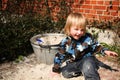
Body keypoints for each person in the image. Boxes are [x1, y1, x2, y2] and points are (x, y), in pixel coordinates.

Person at [52, 13, 118, 80]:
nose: (79, 32)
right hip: (73, 63)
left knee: (88, 65)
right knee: (65, 73)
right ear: (69, 28)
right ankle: (83, 71)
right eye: (76, 29)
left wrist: (105, 51)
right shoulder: (65, 41)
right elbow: (60, 55)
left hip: (87, 59)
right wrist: (55, 70)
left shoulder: (87, 38)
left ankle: (91, 76)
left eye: (82, 30)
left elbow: (96, 46)